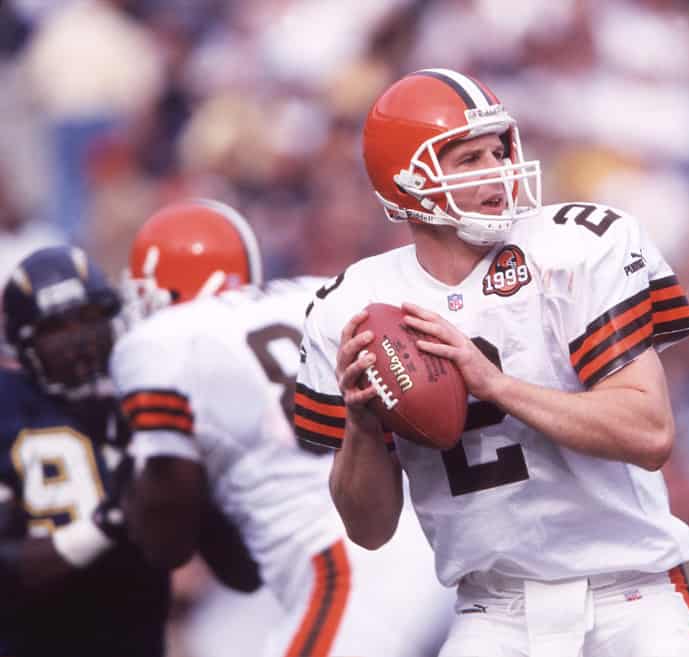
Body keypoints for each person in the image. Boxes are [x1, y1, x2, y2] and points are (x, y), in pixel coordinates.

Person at [295, 67, 689, 657]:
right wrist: (362, 427)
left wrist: (494, 385)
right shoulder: (354, 308)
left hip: (634, 599)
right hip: (493, 612)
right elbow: (369, 530)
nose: (497, 171)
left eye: (499, 150)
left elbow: (649, 432)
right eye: (468, 160)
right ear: (405, 181)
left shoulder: (577, 248)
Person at [114, 199, 453, 657]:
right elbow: (242, 570)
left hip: (352, 569)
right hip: (441, 549)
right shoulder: (321, 292)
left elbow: (167, 541)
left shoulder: (166, 341)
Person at [0, 245, 171, 656]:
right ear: (23, 342)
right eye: (57, 327)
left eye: (89, 318)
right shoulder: (8, 407)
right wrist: (105, 524)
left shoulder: (142, 388)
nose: (78, 338)